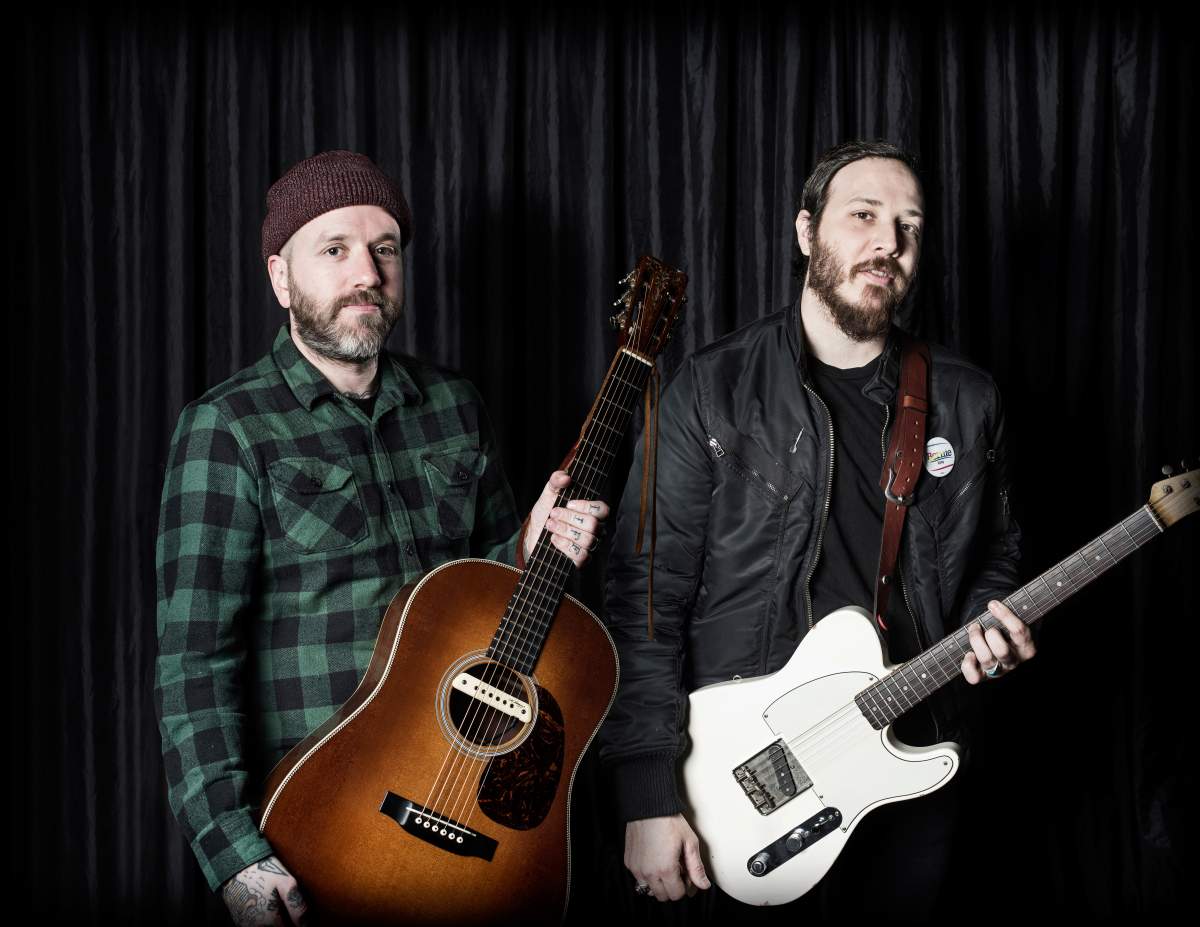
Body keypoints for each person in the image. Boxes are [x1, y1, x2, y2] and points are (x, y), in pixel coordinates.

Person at [154, 150, 609, 926]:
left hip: (464, 801)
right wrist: (234, 854)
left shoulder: (455, 407)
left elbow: (489, 613)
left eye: (384, 249)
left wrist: (531, 546)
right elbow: (193, 661)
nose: (366, 271)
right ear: (281, 278)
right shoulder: (227, 427)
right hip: (320, 829)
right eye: (333, 250)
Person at [598, 140, 1036, 918]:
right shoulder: (711, 388)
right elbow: (645, 597)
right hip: (746, 772)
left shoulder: (968, 401)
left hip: (908, 760)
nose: (887, 244)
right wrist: (646, 791)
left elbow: (998, 551)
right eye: (863, 216)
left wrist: (987, 624)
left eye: (908, 226)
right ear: (806, 232)